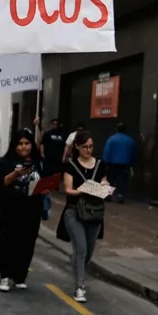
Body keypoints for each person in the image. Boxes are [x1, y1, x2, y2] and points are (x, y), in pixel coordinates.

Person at [56, 130, 109, 303]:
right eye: (85, 147)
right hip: (75, 211)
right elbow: (68, 189)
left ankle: (77, 267)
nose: (88, 150)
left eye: (91, 146)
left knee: (89, 252)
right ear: (77, 147)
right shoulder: (70, 164)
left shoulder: (100, 164)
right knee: (81, 249)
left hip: (94, 212)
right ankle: (80, 287)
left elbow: (104, 182)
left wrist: (104, 187)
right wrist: (83, 189)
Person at [0, 128, 47, 292]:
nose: (23, 147)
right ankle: (5, 276)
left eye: (27, 143)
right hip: (9, 208)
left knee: (27, 243)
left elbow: (43, 181)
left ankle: (20, 276)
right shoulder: (6, 161)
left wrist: (45, 188)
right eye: (20, 144)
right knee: (7, 242)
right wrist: (15, 175)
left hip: (31, 209)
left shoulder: (38, 162)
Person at [102, 122, 137, 203]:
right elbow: (134, 153)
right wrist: (132, 163)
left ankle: (108, 195)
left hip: (112, 163)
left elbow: (107, 151)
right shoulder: (130, 140)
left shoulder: (111, 139)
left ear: (116, 129)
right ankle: (120, 195)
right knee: (123, 180)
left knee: (110, 179)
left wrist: (105, 161)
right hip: (125, 164)